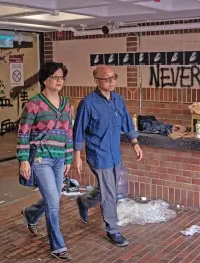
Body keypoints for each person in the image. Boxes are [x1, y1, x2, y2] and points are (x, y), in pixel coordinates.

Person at [73, 65, 143, 247]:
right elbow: (78, 131)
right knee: (110, 193)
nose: (111, 82)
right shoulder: (88, 103)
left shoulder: (118, 100)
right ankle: (113, 230)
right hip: (98, 154)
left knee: (108, 189)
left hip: (114, 154)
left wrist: (135, 143)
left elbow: (127, 122)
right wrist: (77, 156)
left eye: (114, 78)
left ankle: (85, 200)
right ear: (96, 80)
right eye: (107, 79)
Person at [17, 62, 73, 262]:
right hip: (41, 159)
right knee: (54, 204)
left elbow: (69, 133)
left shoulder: (66, 103)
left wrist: (68, 158)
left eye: (62, 78)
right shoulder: (34, 104)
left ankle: (31, 214)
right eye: (55, 77)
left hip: (59, 159)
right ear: (45, 80)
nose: (59, 81)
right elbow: (23, 134)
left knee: (54, 198)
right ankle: (58, 246)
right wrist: (24, 161)